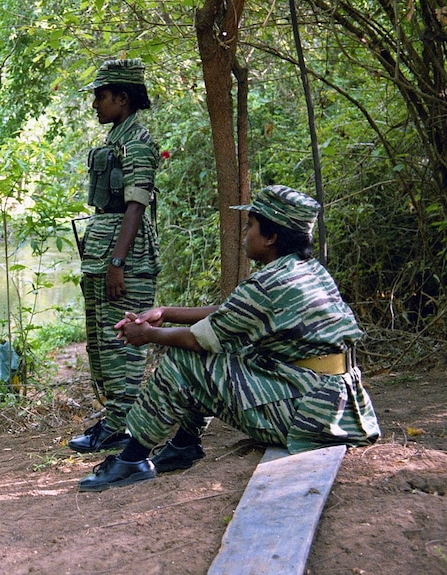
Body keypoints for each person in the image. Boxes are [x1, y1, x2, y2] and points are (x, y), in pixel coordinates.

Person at [78, 185, 381, 491]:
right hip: (336, 405)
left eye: (250, 226)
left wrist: (148, 335)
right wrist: (165, 312)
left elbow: (198, 341)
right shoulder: (306, 271)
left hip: (309, 417)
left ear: (271, 237)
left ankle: (132, 459)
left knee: (185, 361)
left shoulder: (268, 283)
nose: (244, 234)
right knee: (232, 345)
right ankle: (184, 444)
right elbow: (231, 313)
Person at [68, 58, 162, 453]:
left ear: (122, 99)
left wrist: (118, 262)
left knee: (121, 344)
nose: (95, 105)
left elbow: (136, 206)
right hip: (103, 251)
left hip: (127, 259)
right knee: (101, 344)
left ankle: (124, 428)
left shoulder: (138, 143)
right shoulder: (116, 141)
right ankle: (113, 420)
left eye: (100, 97)